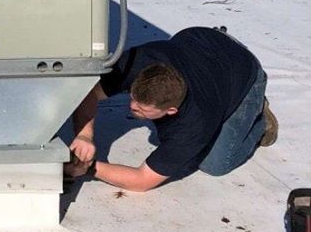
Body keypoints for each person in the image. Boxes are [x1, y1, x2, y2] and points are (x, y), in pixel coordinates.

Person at [65, 26, 277, 192]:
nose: (131, 107)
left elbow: (142, 180)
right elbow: (89, 92)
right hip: (203, 40)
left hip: (242, 72)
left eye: (141, 109)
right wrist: (85, 134)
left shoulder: (195, 123)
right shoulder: (138, 64)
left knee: (216, 164)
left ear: (172, 111)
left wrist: (90, 168)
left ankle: (259, 118)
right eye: (133, 98)